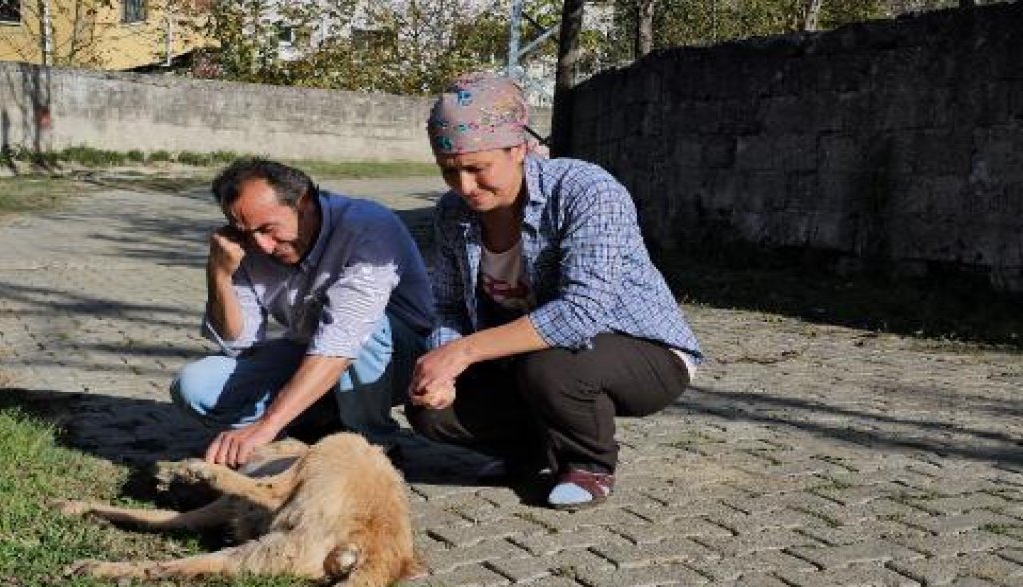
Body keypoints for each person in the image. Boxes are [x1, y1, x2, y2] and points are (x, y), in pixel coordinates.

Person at [407, 73, 703, 510]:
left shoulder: (586, 190)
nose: (465, 187)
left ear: (519, 148)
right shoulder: (453, 214)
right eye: (450, 172)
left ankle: (589, 465)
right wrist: (444, 370)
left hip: (644, 352)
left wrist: (465, 352)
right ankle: (528, 455)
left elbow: (581, 312)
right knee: (429, 408)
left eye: (477, 169)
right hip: (530, 359)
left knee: (550, 369)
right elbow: (450, 306)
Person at [172, 158, 433, 468]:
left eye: (269, 230)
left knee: (367, 326)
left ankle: (371, 445)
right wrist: (219, 273)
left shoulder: (369, 226)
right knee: (194, 386)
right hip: (312, 350)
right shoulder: (249, 245)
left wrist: (264, 427)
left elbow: (342, 340)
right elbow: (237, 343)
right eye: (246, 232)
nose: (263, 246)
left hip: (397, 360)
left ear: (305, 202)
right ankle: (317, 420)